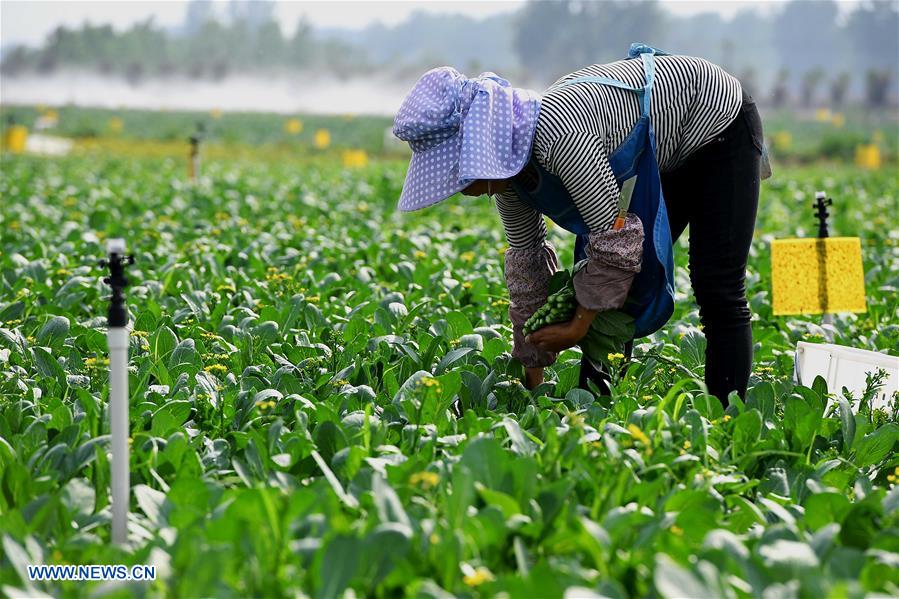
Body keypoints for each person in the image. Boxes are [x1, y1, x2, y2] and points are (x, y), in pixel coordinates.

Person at [392, 43, 768, 406]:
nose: (461, 188)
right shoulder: (505, 174)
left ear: (480, 147)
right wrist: (531, 368)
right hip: (664, 141)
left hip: (718, 123)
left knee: (716, 284)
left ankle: (727, 420)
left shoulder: (561, 137)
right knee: (613, 282)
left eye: (458, 173)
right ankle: (597, 409)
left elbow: (615, 244)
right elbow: (528, 266)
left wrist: (576, 327)